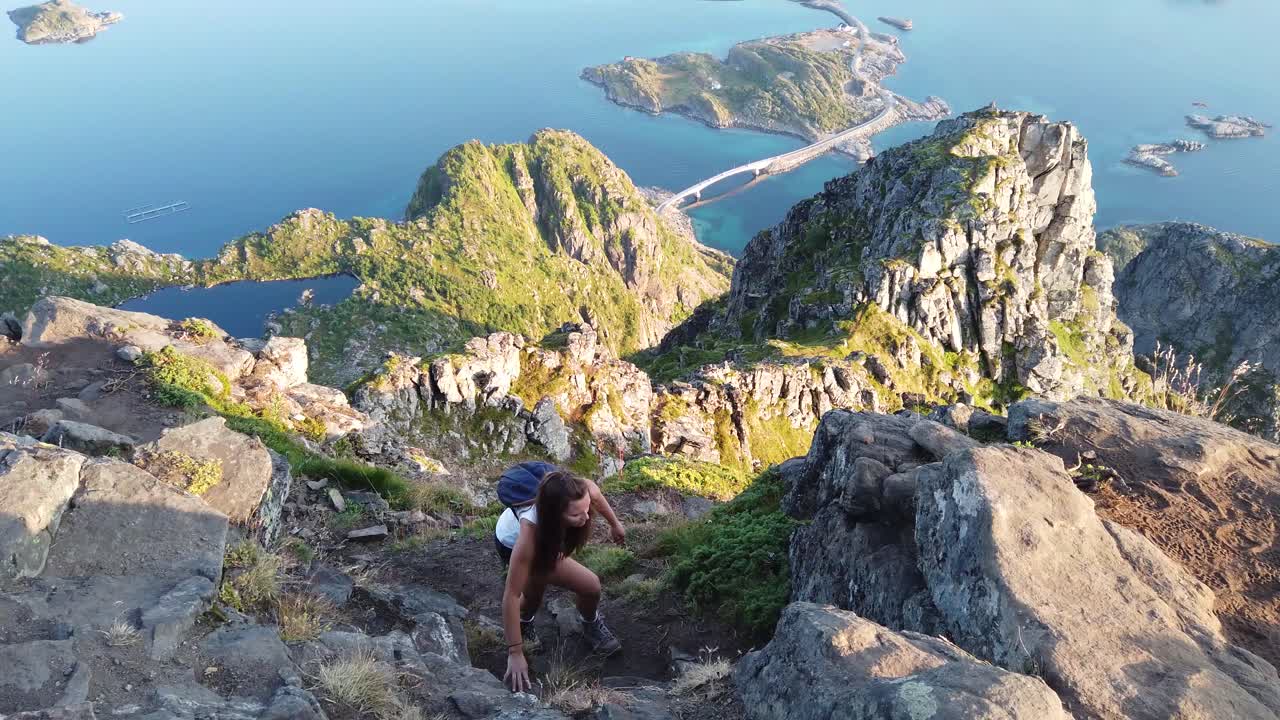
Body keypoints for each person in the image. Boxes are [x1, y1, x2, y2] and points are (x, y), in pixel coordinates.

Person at [495, 468, 626, 692]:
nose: (585, 518)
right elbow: (511, 594)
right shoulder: (529, 535)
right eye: (576, 515)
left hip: (548, 539)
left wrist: (615, 524)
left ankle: (590, 624)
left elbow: (594, 494)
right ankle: (524, 623)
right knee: (532, 596)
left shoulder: (579, 490)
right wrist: (515, 652)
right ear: (554, 515)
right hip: (511, 542)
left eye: (586, 510)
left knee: (591, 587)